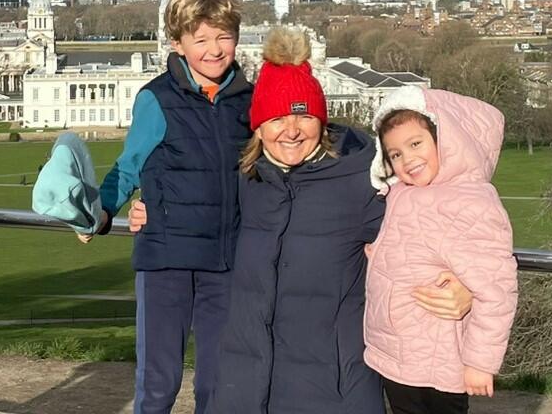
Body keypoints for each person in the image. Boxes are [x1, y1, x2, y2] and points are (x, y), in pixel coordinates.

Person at [126, 27, 474, 413]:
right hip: (247, 387)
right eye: (276, 119)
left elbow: (437, 226)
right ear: (257, 126)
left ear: (321, 122)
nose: (290, 131)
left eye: (304, 116)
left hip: (335, 390)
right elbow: (194, 200)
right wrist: (151, 210)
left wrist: (464, 283)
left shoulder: (363, 178)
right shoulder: (244, 179)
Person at [81, 0, 254, 414]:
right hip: (167, 258)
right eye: (201, 40)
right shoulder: (156, 99)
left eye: (224, 37)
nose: (215, 49)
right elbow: (129, 164)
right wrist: (101, 212)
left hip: (227, 259)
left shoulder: (249, 101)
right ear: (177, 44)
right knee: (159, 382)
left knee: (220, 383)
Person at [366, 86, 518, 414]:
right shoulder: (402, 193)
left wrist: (480, 362)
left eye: (416, 144)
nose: (408, 160)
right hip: (400, 354)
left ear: (444, 140)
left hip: (438, 361)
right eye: (395, 154)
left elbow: (496, 290)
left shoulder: (470, 203)